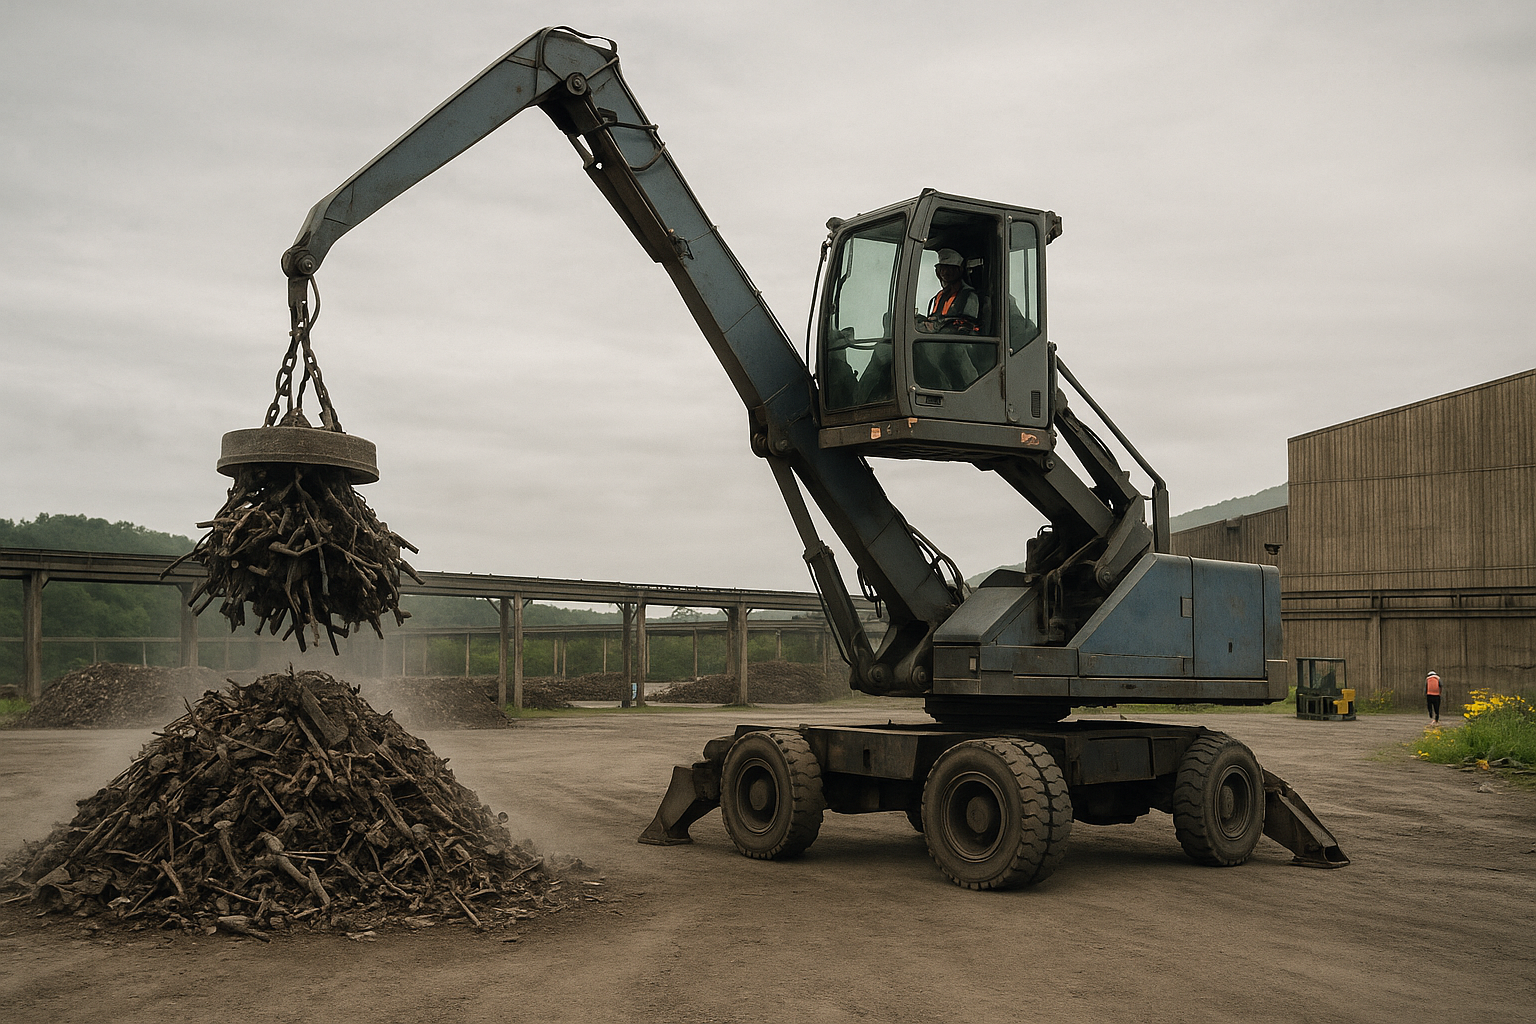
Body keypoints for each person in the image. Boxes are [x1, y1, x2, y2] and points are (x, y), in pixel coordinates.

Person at [915, 249, 980, 334]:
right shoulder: (940, 296)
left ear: (959, 271)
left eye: (950, 268)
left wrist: (935, 327)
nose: (945, 272)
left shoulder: (969, 296)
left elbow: (966, 328)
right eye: (942, 268)